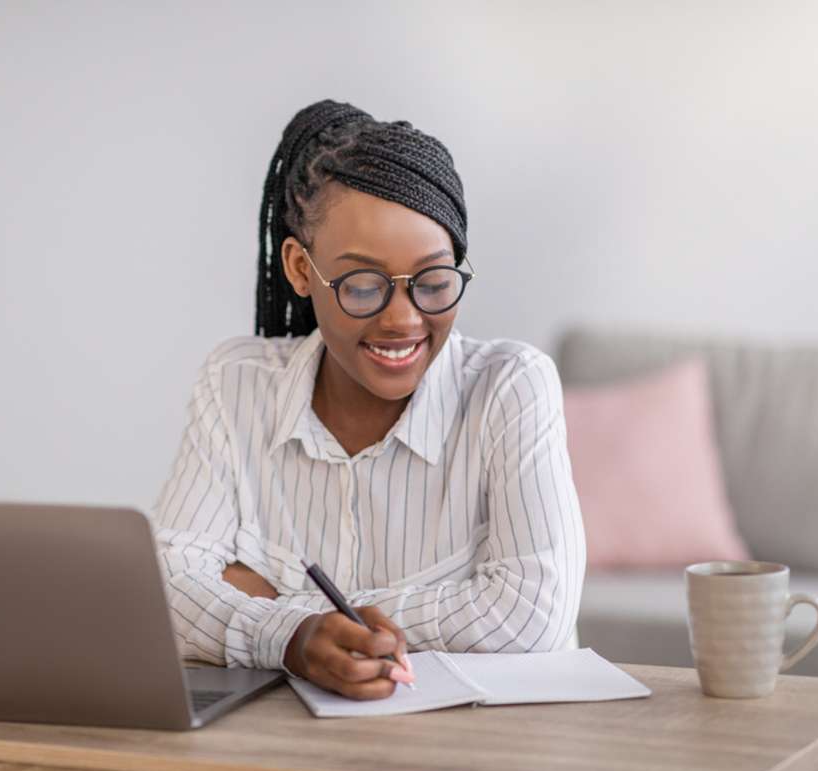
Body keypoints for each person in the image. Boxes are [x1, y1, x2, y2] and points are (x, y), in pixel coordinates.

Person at [153, 99, 586, 700]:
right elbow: (165, 591)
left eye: (434, 282)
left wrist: (292, 622)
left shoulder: (510, 386)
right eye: (362, 285)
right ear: (302, 270)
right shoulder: (236, 383)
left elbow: (532, 612)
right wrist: (296, 636)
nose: (404, 320)